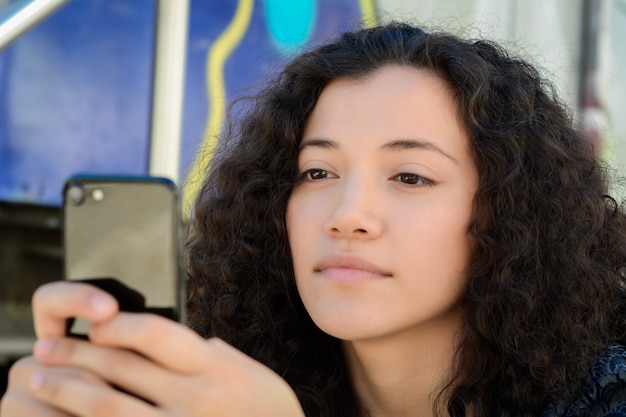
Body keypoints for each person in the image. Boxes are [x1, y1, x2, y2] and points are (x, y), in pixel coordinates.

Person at [2, 21, 626, 417]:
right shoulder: (221, 396)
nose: (347, 215)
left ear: (513, 213)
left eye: (410, 177)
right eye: (317, 173)